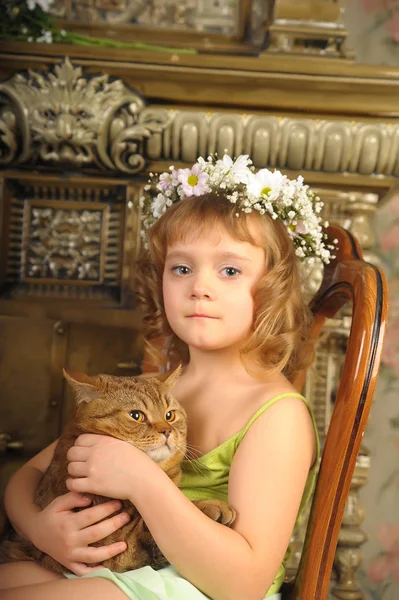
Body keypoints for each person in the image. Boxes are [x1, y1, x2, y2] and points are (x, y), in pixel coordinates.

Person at [0, 153, 333, 600]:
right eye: (181, 268)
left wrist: (142, 479)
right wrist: (41, 529)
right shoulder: (152, 391)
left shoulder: (277, 416)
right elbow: (27, 476)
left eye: (229, 270)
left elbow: (245, 583)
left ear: (270, 289)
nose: (199, 286)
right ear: (160, 282)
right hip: (128, 567)